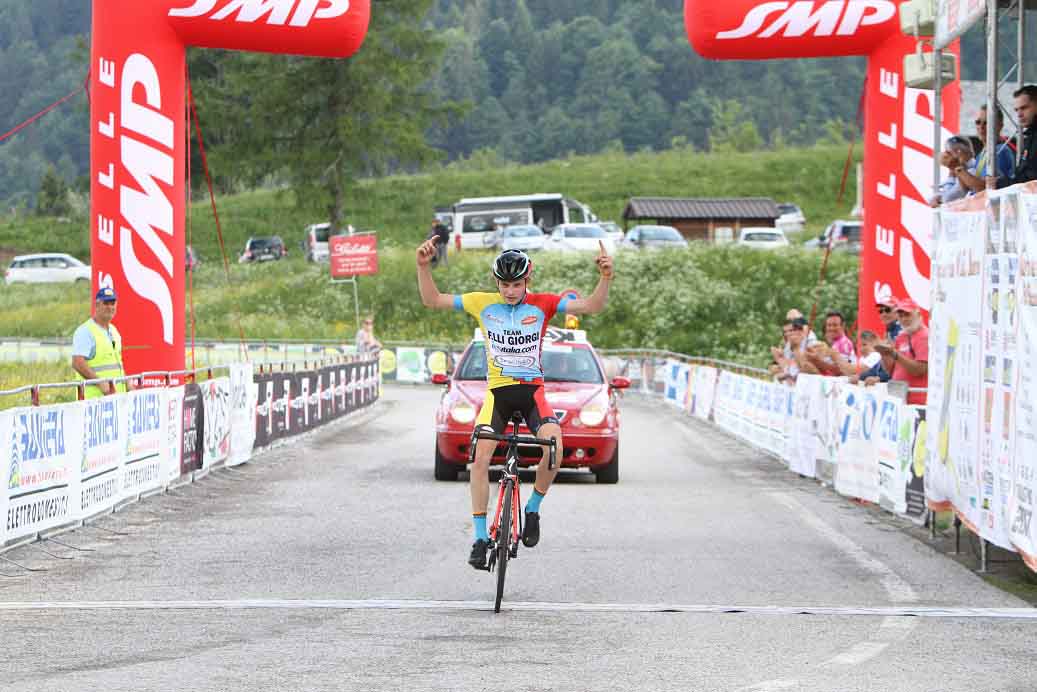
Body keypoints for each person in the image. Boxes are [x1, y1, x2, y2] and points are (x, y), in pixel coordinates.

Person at [416, 239, 614, 569]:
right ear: (497, 283)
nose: (510, 291)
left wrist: (605, 277)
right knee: (479, 459)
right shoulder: (482, 304)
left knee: (555, 447)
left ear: (527, 282)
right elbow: (432, 299)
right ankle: (480, 538)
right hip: (497, 396)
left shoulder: (545, 304)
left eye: (517, 284)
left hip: (532, 393)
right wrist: (423, 266)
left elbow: (592, 306)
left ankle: (533, 508)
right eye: (505, 284)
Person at [71, 287, 134, 398]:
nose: (110, 307)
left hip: (116, 398)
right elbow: (77, 363)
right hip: (94, 402)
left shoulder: (114, 331)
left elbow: (116, 363)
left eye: (112, 303)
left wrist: (127, 381)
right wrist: (100, 383)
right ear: (97, 305)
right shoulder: (85, 331)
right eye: (106, 303)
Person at [873, 298, 929, 405]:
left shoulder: (924, 336)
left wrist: (894, 353)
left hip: (916, 400)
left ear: (917, 314)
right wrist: (884, 354)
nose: (903, 319)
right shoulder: (902, 336)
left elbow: (919, 370)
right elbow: (891, 370)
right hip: (899, 398)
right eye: (901, 315)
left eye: (907, 314)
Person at [959, 105, 1015, 194]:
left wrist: (958, 169)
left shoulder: (999, 152)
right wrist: (959, 165)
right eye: (978, 122)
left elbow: (984, 188)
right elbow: (967, 188)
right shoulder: (982, 154)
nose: (981, 126)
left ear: (999, 126)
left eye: (987, 123)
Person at [995, 85, 1037, 188]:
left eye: (1024, 108)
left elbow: (1030, 178)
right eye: (1016, 110)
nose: (1019, 114)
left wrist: (999, 184)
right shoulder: (1030, 136)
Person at [931, 135, 975, 206]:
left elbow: (949, 198)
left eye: (948, 152)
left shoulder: (972, 170)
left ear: (959, 153)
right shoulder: (958, 169)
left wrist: (952, 171)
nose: (944, 155)